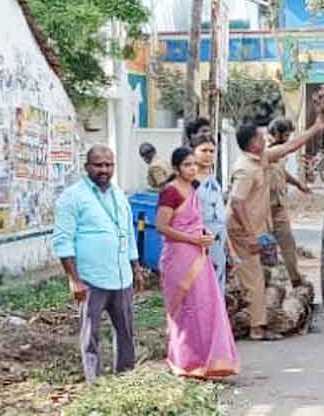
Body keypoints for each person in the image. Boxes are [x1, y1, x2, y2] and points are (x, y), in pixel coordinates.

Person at [227, 118, 324, 341]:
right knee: (254, 277)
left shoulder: (261, 159)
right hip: (242, 230)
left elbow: (290, 147)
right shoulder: (245, 169)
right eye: (259, 136)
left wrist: (317, 127)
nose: (264, 139)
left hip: (255, 226)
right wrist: (251, 235)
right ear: (252, 143)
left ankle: (250, 315)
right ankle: (256, 329)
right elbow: (236, 203)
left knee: (256, 274)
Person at [52, 144, 144, 383]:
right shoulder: (72, 197)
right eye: (98, 165)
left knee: (126, 333)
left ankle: (126, 380)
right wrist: (74, 280)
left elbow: (129, 233)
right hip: (90, 279)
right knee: (90, 335)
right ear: (87, 167)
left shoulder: (119, 195)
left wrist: (135, 267)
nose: (104, 170)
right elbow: (63, 241)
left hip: (122, 277)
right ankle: (95, 384)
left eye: (108, 165)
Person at [156, 147, 239, 379]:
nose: (192, 169)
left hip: (199, 254)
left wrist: (204, 235)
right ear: (176, 168)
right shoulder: (170, 193)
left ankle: (206, 362)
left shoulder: (193, 188)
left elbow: (195, 221)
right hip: (179, 257)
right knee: (184, 310)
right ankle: (183, 361)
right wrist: (193, 238)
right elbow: (162, 227)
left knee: (205, 307)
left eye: (194, 164)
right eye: (186, 165)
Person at [267, 118, 311, 288]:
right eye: (285, 135)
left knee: (288, 245)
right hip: (262, 209)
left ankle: (296, 281)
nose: (287, 138)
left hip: (279, 207)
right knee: (263, 247)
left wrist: (297, 183)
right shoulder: (263, 150)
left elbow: (281, 171)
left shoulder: (279, 154)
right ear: (276, 133)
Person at [190, 134, 228, 293]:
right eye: (203, 150)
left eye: (212, 151)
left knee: (217, 287)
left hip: (219, 244)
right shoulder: (189, 181)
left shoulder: (214, 180)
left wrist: (229, 245)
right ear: (193, 152)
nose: (208, 155)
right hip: (197, 241)